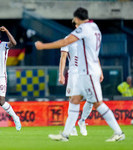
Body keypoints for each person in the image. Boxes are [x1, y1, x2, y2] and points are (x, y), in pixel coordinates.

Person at [35, 7, 125, 142]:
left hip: (88, 73)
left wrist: (43, 46)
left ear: (77, 19)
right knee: (74, 100)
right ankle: (65, 134)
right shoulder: (95, 27)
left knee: (98, 104)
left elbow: (65, 42)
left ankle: (118, 132)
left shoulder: (84, 29)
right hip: (84, 72)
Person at [59, 23, 96, 136]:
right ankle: (72, 127)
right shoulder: (68, 39)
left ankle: (82, 121)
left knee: (92, 98)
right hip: (74, 74)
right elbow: (63, 57)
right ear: (76, 25)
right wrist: (61, 74)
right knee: (73, 100)